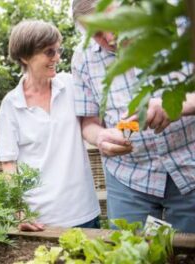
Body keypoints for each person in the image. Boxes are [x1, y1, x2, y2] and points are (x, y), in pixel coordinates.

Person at [72, 0, 195, 233]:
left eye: (113, 23)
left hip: (189, 165)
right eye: (95, 33)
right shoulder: (83, 58)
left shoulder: (180, 24)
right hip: (128, 177)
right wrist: (100, 137)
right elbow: (89, 122)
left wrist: (177, 104)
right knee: (129, 252)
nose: (108, 38)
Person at [0, 20, 101, 231]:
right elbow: (9, 164)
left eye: (58, 50)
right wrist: (18, 209)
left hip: (83, 211)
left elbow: (94, 121)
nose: (57, 58)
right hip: (41, 220)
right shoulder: (11, 105)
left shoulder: (71, 85)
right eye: (49, 52)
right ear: (25, 57)